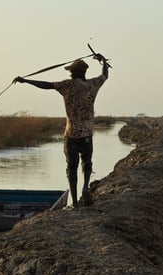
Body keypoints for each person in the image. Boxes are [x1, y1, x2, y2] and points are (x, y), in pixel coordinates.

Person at [14, 54, 110, 208]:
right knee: (87, 162)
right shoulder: (93, 84)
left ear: (76, 73)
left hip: (71, 134)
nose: (70, 73)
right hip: (87, 134)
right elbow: (105, 74)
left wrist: (26, 81)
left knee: (71, 168)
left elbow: (46, 85)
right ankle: (85, 188)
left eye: (72, 71)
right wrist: (103, 60)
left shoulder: (67, 85)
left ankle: (74, 202)